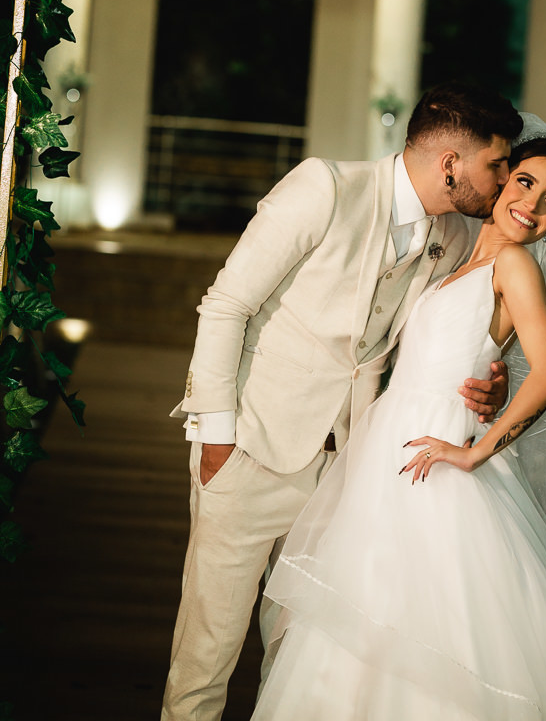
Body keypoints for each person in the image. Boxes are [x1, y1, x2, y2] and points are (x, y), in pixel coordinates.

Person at [253, 122, 546, 720]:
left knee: (426, 623)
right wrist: (493, 379)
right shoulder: (459, 257)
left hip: (438, 459)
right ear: (502, 179)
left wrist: (476, 450)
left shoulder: (516, 264)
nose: (533, 205)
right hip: (391, 448)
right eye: (525, 182)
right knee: (372, 610)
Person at [161, 83, 523, 720]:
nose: (503, 181)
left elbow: (436, 339)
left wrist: (489, 381)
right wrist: (216, 440)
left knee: (300, 659)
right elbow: (226, 305)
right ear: (451, 163)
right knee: (207, 656)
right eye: (496, 164)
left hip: (348, 475)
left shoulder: (453, 235)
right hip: (252, 451)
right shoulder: (325, 188)